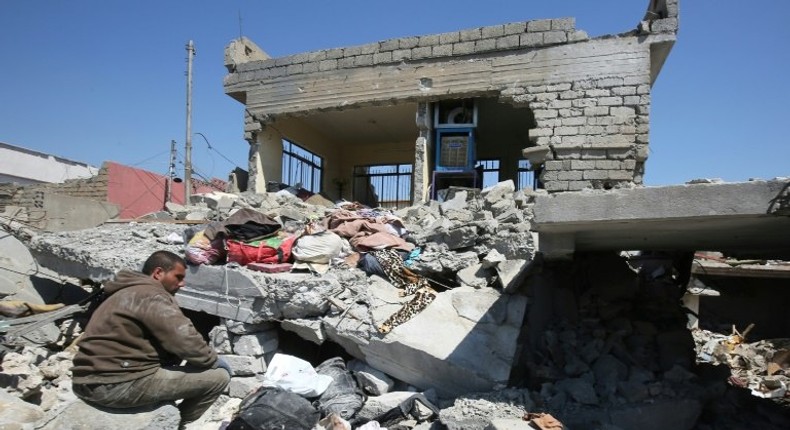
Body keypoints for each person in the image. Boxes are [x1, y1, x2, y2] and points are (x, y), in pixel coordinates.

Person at [71, 250, 230, 426]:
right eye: (178, 277)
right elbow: (185, 340)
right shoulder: (153, 296)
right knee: (219, 377)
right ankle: (178, 423)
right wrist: (212, 360)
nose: (182, 284)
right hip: (115, 384)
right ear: (158, 273)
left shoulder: (125, 291)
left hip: (87, 381)